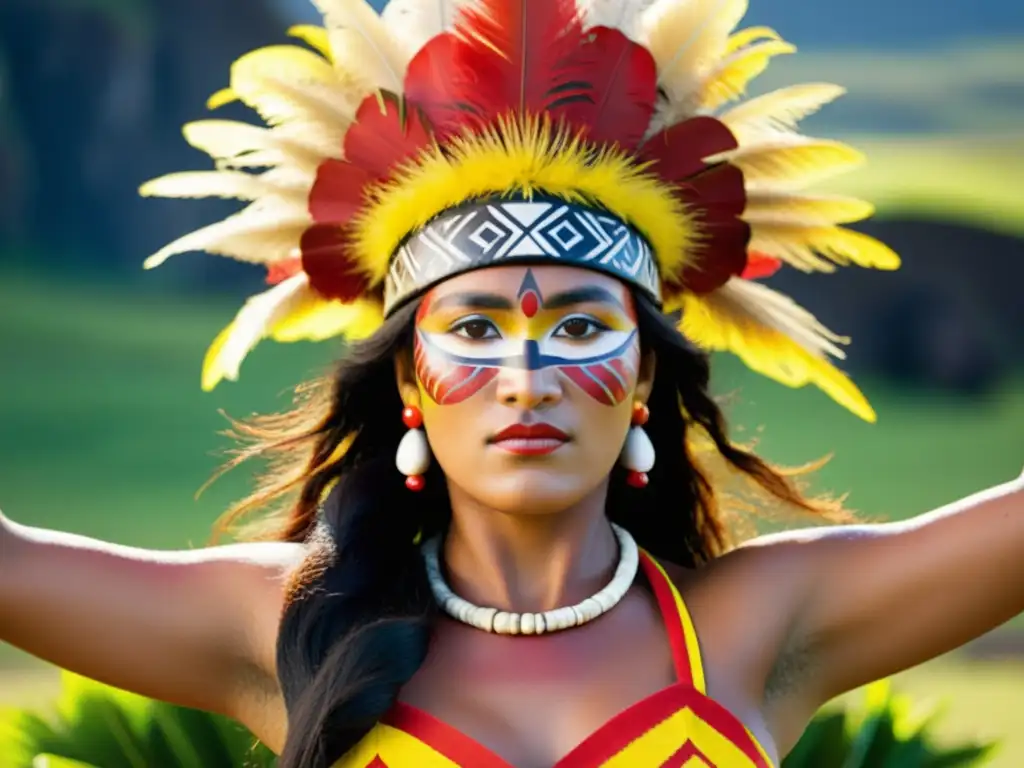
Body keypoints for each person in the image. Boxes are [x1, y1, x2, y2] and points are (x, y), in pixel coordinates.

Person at [2, 0, 1022, 766]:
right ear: (408, 377)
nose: (525, 375)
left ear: (639, 380)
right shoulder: (286, 627)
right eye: (475, 328)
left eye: (579, 326)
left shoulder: (760, 625)